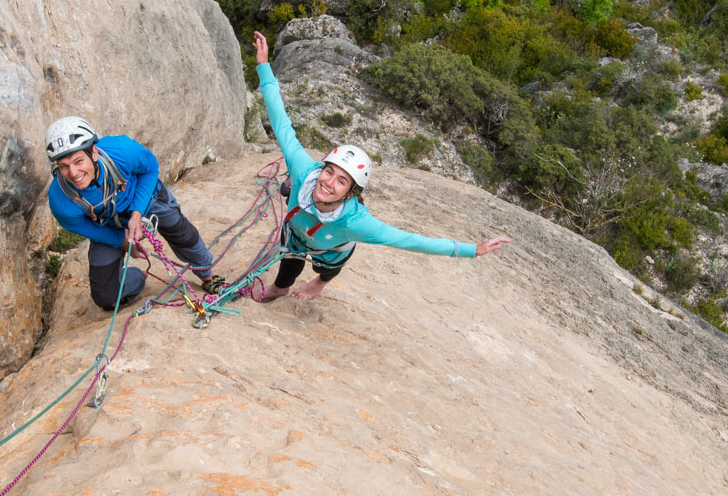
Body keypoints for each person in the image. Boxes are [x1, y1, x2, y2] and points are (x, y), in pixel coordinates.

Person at [251, 32, 511, 301]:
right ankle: (280, 288)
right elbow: (280, 120)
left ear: (351, 192)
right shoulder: (304, 170)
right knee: (291, 256)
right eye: (329, 171)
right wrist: (264, 65)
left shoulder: (356, 222)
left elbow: (410, 240)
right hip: (297, 232)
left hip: (331, 247)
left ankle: (319, 283)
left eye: (341, 181)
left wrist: (472, 249)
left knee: (328, 266)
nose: (328, 182)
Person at [45, 116, 225, 310]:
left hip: (145, 199)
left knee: (181, 231)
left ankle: (206, 275)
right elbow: (89, 229)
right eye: (63, 166)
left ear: (94, 152)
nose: (73, 172)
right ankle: (138, 277)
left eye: (78, 161)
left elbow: (150, 169)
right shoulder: (61, 200)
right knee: (105, 296)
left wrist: (137, 214)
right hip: (107, 223)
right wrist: (120, 242)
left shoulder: (121, 151)